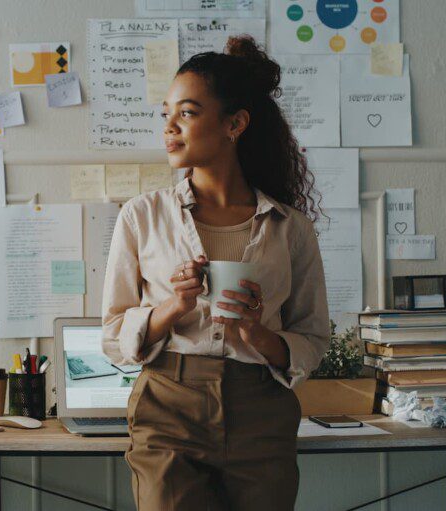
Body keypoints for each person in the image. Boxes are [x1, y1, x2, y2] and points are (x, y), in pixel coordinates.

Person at [101, 36, 331, 511]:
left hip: (262, 411)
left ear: (235, 124)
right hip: (168, 405)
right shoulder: (141, 215)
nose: (169, 127)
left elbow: (313, 339)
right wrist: (174, 306)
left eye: (186, 113)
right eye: (165, 114)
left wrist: (256, 332)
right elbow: (113, 334)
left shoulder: (291, 227)